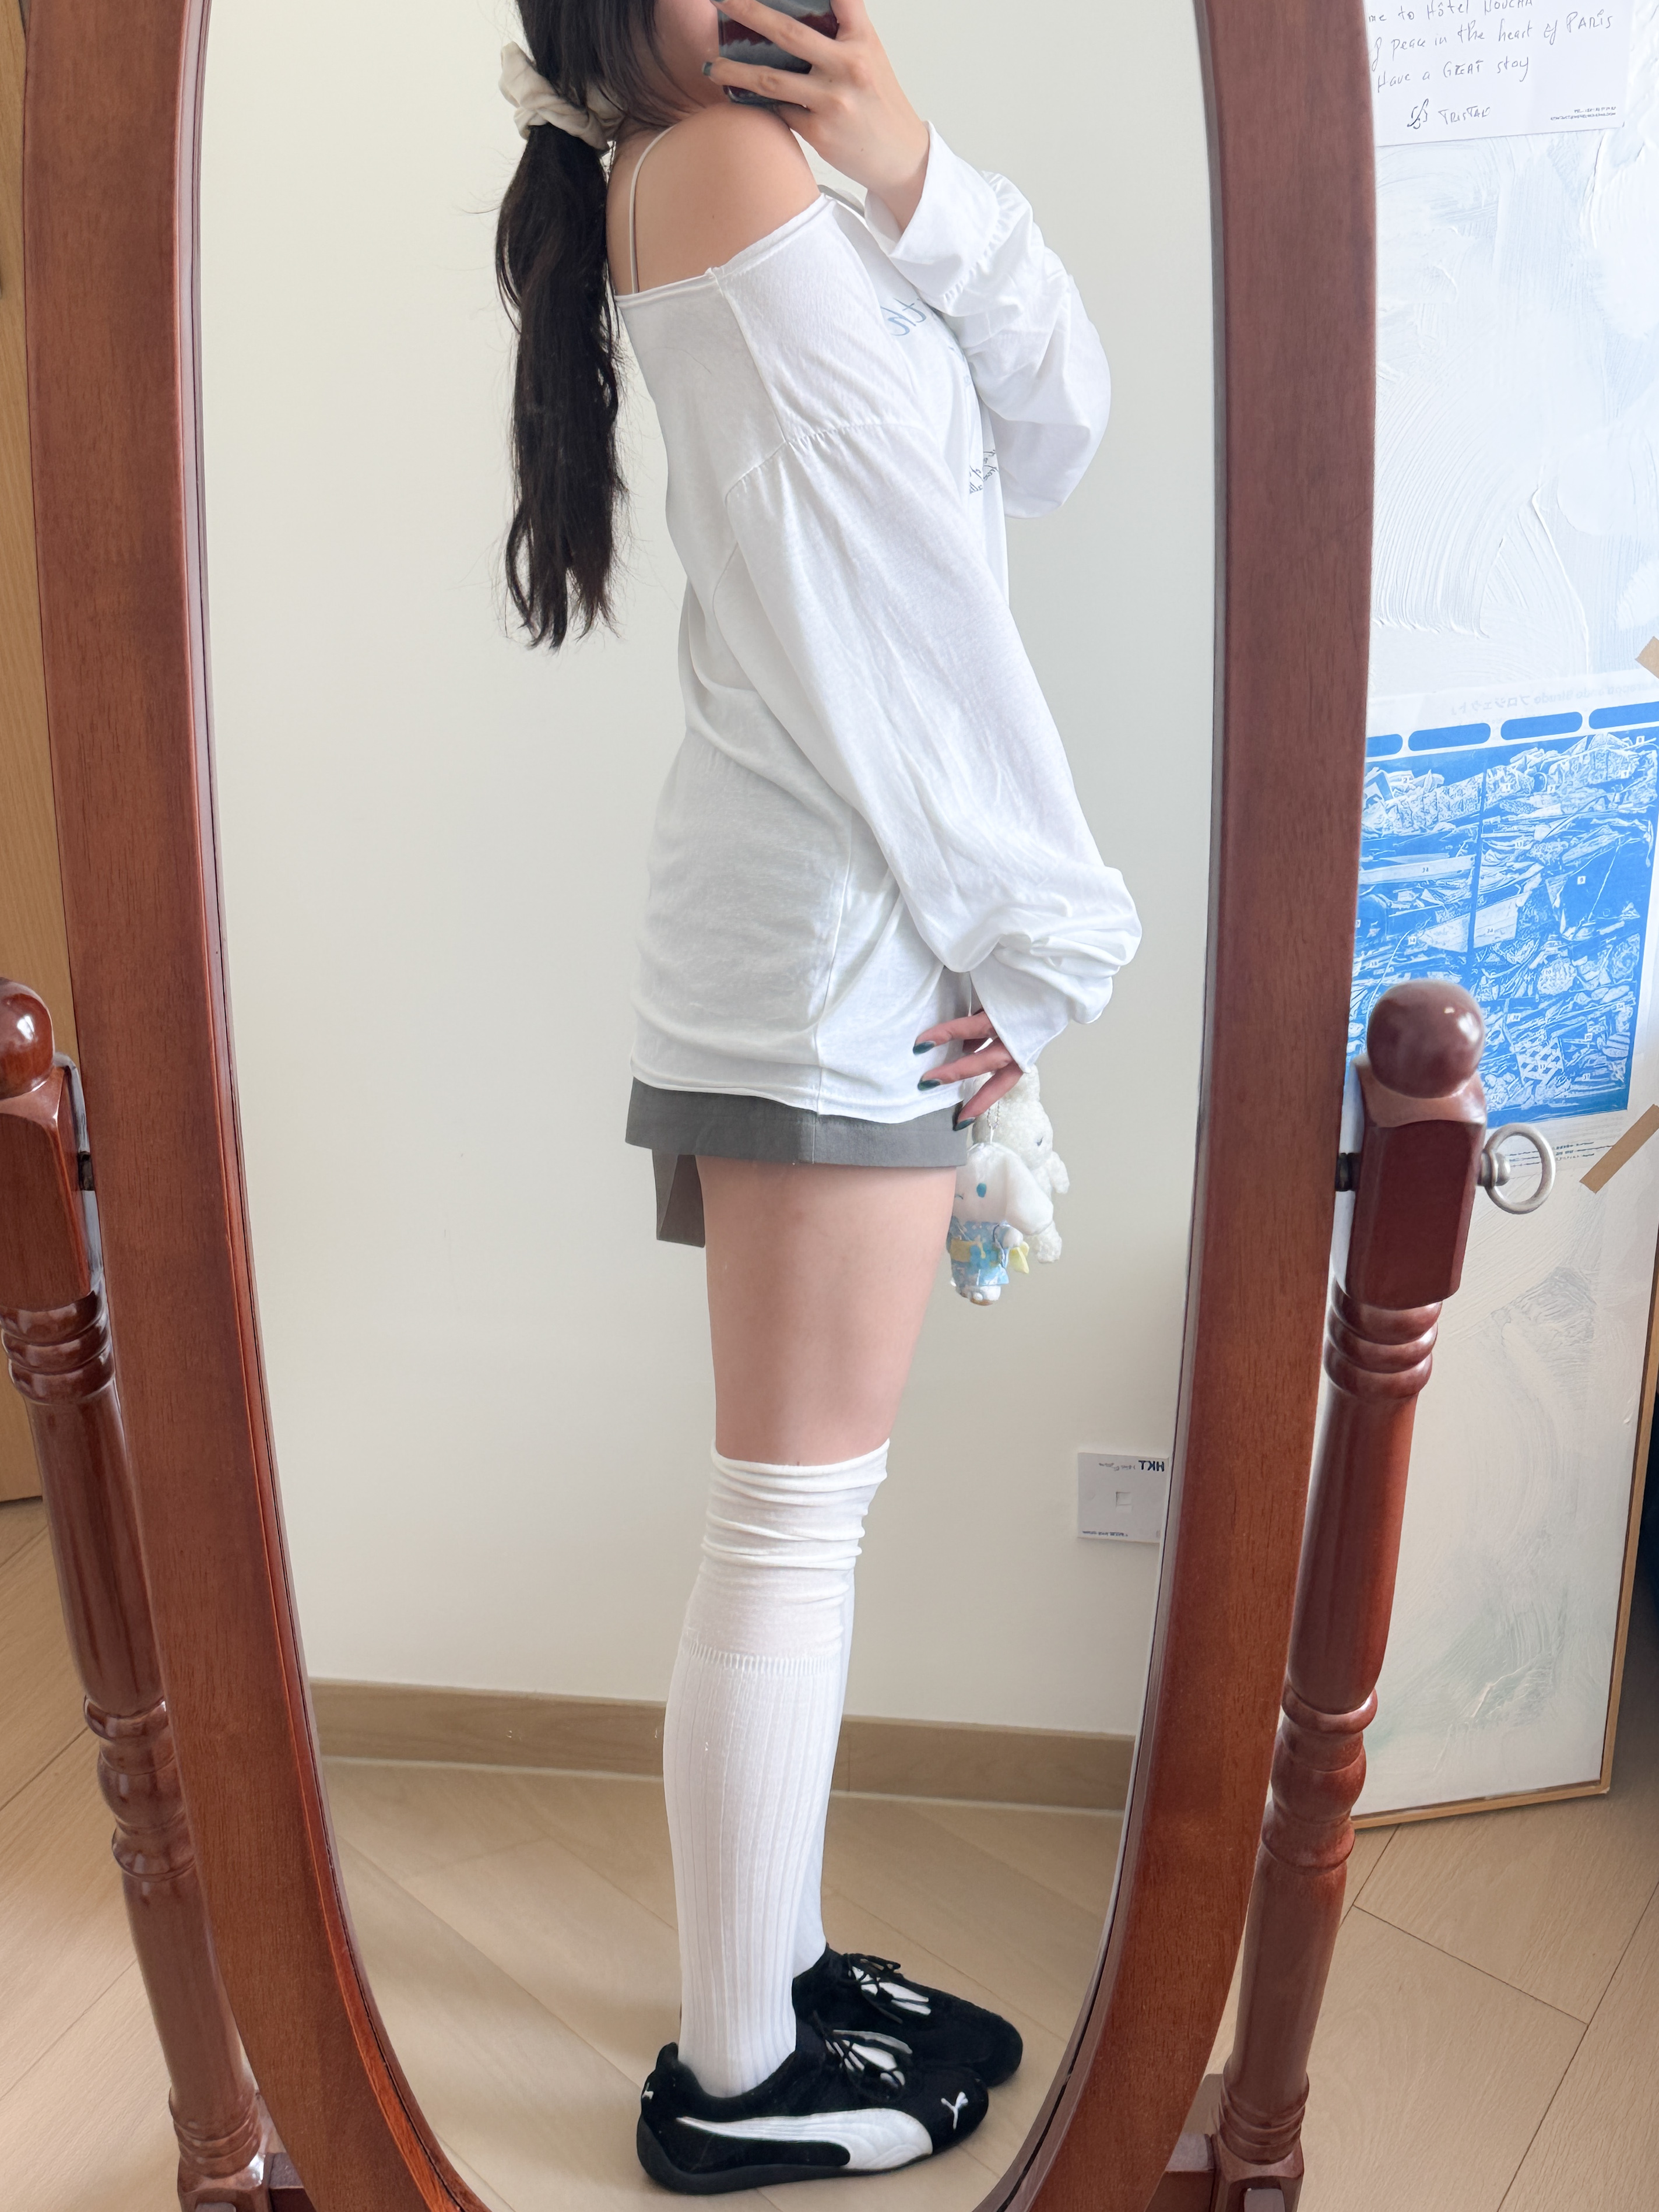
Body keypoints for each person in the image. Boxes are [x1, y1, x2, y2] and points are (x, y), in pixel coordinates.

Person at [495, 0, 1140, 2189]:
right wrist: (1047, 936)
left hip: (836, 937)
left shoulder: (757, 167)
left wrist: (917, 165)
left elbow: (1054, 430)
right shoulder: (721, 168)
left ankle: (767, 1980)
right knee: (790, 1522)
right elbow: (908, 619)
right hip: (837, 954)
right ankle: (734, 2073)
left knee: (797, 1520)